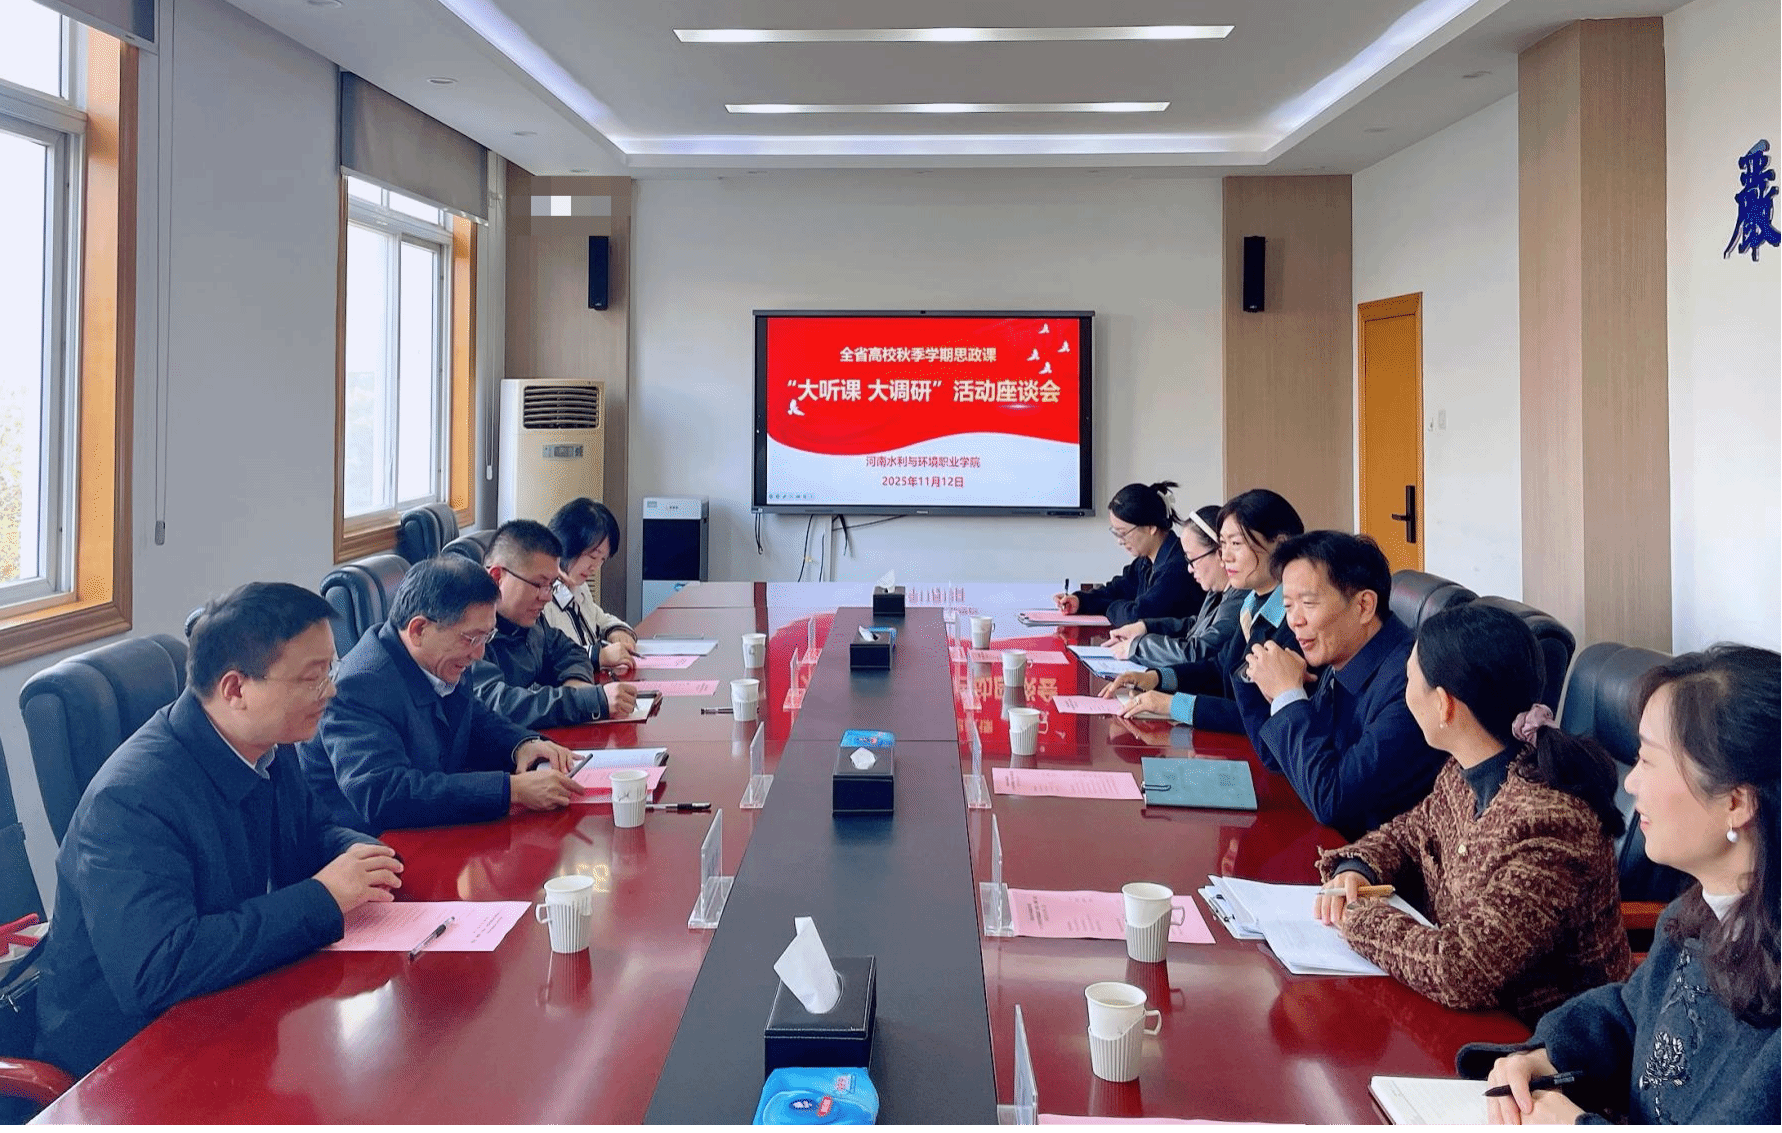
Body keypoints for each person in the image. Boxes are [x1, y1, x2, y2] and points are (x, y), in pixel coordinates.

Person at [35, 583, 403, 1077]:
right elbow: (157, 970)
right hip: (128, 1060)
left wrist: (365, 855)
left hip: (233, 1001)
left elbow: (311, 835)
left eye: (330, 670)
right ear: (235, 690)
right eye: (313, 678)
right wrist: (323, 897)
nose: (331, 690)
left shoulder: (268, 743)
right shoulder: (130, 800)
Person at [1466, 645, 1780, 1126]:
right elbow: (1633, 1015)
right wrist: (1547, 1056)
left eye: (1648, 760)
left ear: (1736, 803)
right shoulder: (1693, 917)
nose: (1630, 784)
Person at [1314, 602, 1631, 1022]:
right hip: (1460, 1019)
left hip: (1537, 1041)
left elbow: (1460, 969)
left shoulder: (1552, 824)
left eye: (1409, 680)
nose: (1404, 694)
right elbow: (1409, 834)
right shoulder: (1464, 772)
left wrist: (1356, 917)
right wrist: (1358, 869)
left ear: (1445, 705)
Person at [299, 556, 585, 834]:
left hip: (430, 829)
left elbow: (473, 719)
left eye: (486, 637)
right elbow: (384, 794)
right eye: (472, 638)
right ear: (419, 629)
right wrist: (511, 790)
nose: (479, 653)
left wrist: (521, 745)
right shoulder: (359, 686)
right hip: (369, 846)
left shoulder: (443, 657)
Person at [1237, 530, 1443, 838]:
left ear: (1363, 606)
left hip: (1380, 858)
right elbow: (1278, 760)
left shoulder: (1411, 683)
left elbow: (1332, 801)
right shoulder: (1342, 653)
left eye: (1308, 603)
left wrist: (1288, 695)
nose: (1295, 621)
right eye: (1288, 606)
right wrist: (1273, 689)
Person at [1102, 488, 1304, 735]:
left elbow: (1260, 718)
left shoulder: (1295, 622)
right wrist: (1157, 678)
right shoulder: (1253, 604)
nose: (1225, 557)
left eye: (1236, 544)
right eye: (1223, 544)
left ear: (1281, 545)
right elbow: (1219, 669)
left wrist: (1173, 705)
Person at [469, 519, 637, 729]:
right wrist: (585, 701)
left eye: (551, 585)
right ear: (497, 577)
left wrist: (577, 684)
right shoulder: (467, 631)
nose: (547, 597)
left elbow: (569, 651)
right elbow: (499, 704)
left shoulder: (527, 620)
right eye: (539, 584)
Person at [1105, 505, 1242, 668]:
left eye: (1192, 559)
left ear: (1219, 553)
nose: (1189, 568)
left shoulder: (1241, 600)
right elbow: (1197, 626)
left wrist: (1138, 647)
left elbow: (1198, 653)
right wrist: (1145, 627)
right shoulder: (1219, 591)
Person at [1054, 481, 1204, 626]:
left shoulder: (1178, 568)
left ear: (1151, 527)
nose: (1120, 541)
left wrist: (1110, 607)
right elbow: (1116, 591)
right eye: (1116, 533)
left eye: (1123, 533)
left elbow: (1137, 616)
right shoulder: (1145, 560)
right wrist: (1081, 601)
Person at [542, 497, 639, 673]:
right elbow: (546, 658)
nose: (595, 567)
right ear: (567, 542)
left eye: (602, 560)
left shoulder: (578, 587)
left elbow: (598, 618)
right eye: (593, 556)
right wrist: (598, 656)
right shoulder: (541, 597)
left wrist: (616, 631)